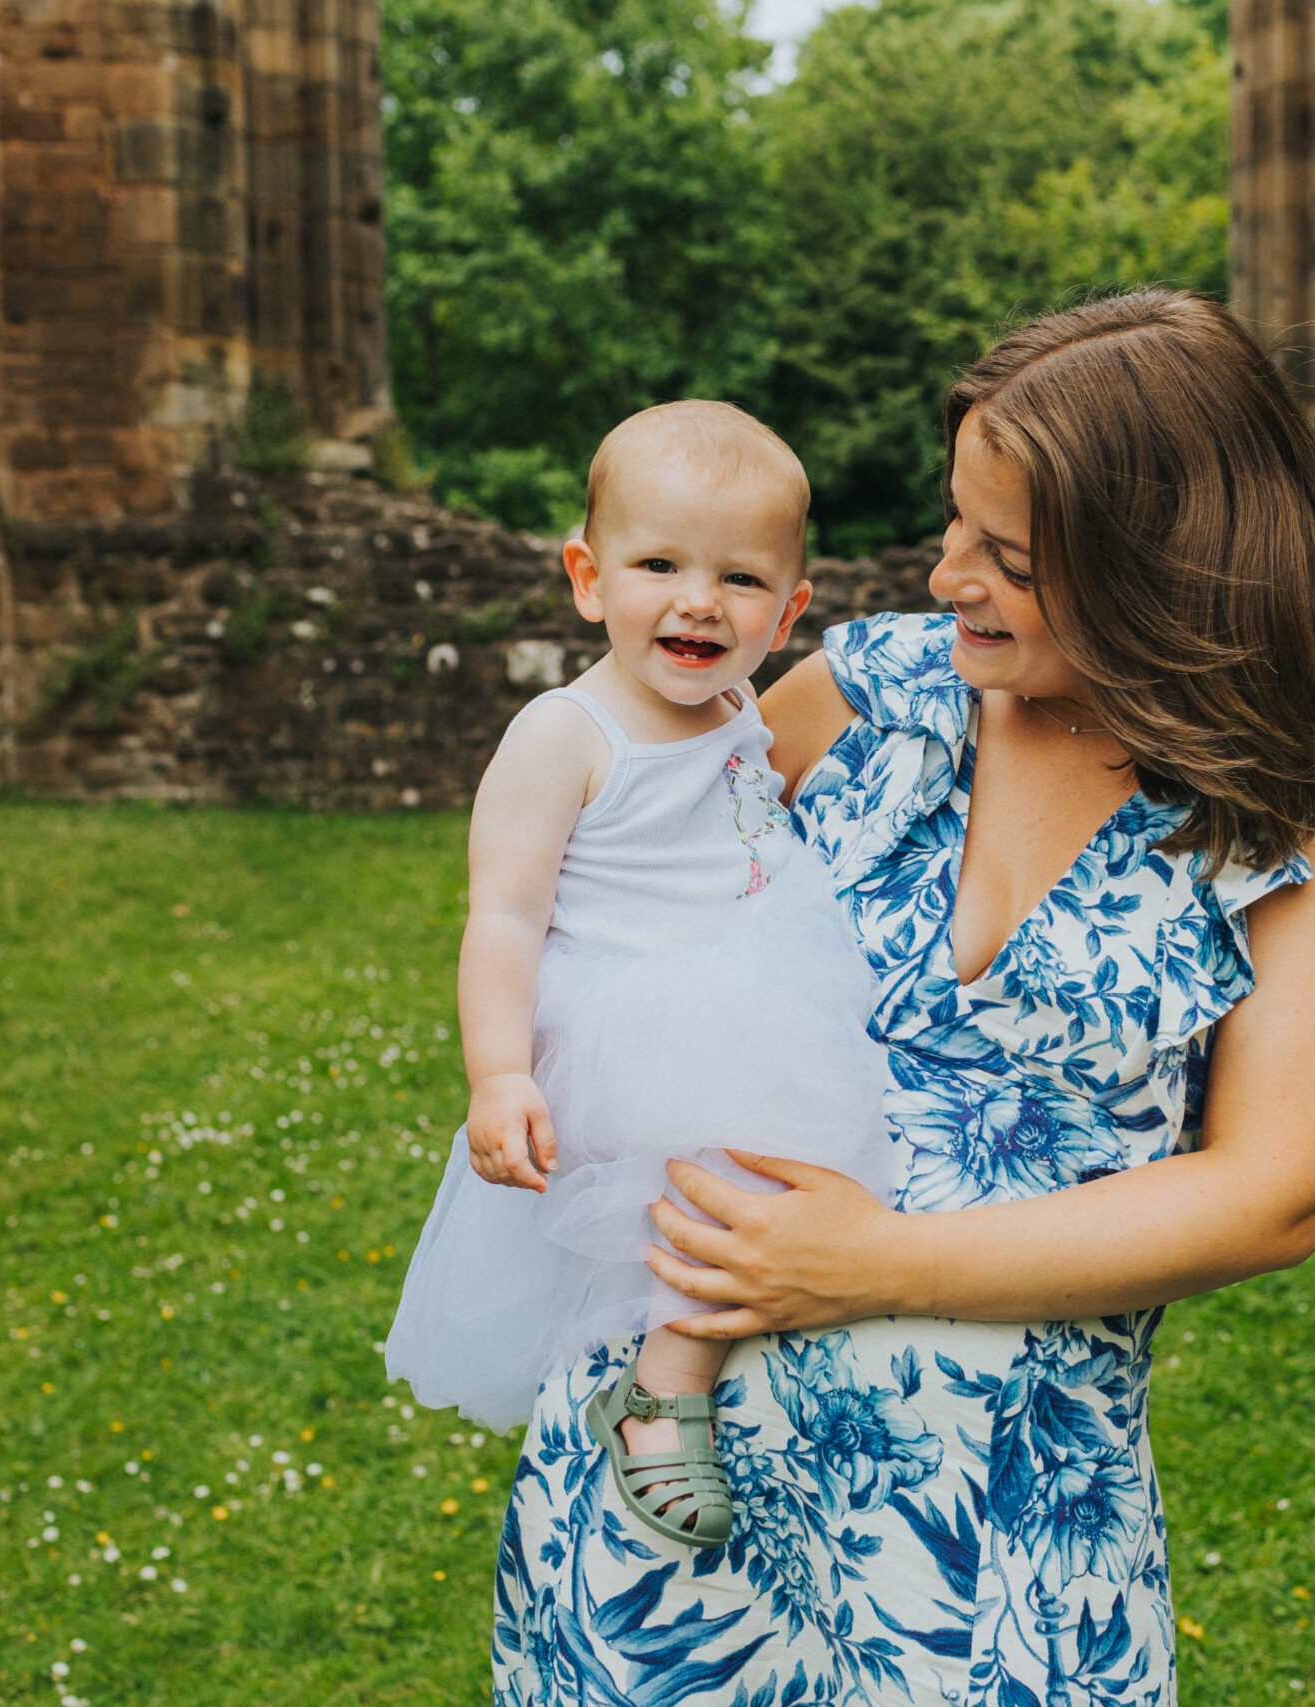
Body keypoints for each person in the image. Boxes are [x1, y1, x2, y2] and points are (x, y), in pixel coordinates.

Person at [489, 291, 1315, 1706]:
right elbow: (603, 859)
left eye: (1004, 555)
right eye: (954, 527)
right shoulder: (868, 693)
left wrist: (879, 1262)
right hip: (663, 1489)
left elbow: (1275, 1192)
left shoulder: (1305, 797)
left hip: (988, 1541)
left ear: (1160, 569)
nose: (943, 579)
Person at [385, 400, 895, 1550]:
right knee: (723, 1185)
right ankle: (666, 1392)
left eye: (741, 578)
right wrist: (498, 1072)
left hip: (770, 974)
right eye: (657, 564)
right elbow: (505, 919)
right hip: (638, 1004)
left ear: (791, 608)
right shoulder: (564, 735)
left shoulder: (738, 708)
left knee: (796, 1167)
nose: (698, 601)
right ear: (587, 574)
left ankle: (750, 1365)